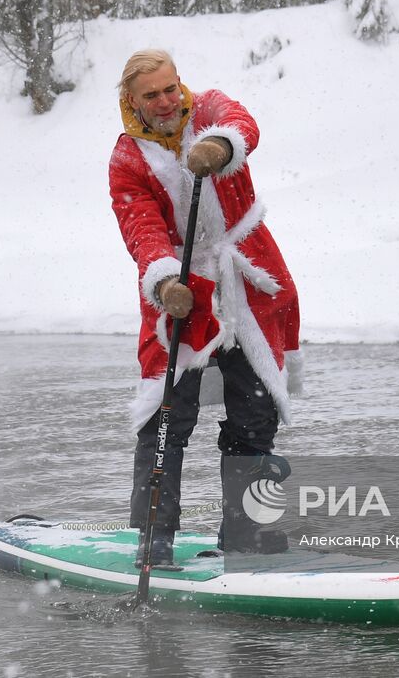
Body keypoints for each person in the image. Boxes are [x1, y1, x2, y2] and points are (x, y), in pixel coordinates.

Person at [109, 48, 302, 568]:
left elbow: (244, 125)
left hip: (246, 277)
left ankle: (246, 535)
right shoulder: (127, 160)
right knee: (169, 417)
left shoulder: (210, 108)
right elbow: (142, 230)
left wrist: (219, 145)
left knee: (255, 413)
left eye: (172, 88)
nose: (168, 101)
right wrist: (165, 282)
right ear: (132, 100)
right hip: (182, 289)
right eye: (153, 95)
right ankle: (155, 541)